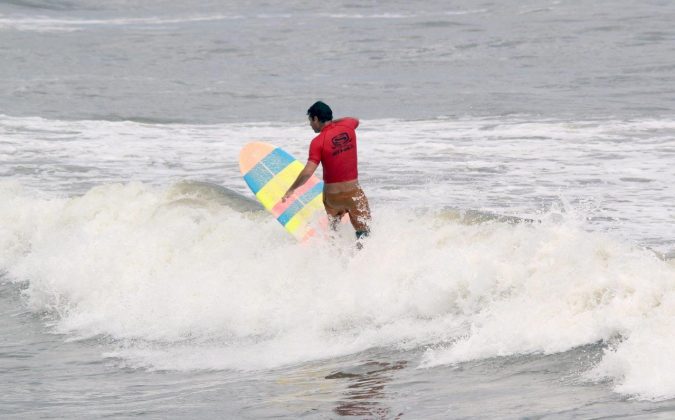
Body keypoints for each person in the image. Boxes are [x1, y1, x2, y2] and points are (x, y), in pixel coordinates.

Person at [282, 101, 371, 240]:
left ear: (316, 119)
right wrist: (329, 121)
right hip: (353, 193)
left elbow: (307, 173)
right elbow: (355, 119)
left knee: (334, 231)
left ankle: (334, 255)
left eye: (311, 120)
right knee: (364, 232)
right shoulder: (348, 125)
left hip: (333, 198)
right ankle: (361, 257)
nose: (310, 124)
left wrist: (291, 189)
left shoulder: (317, 142)